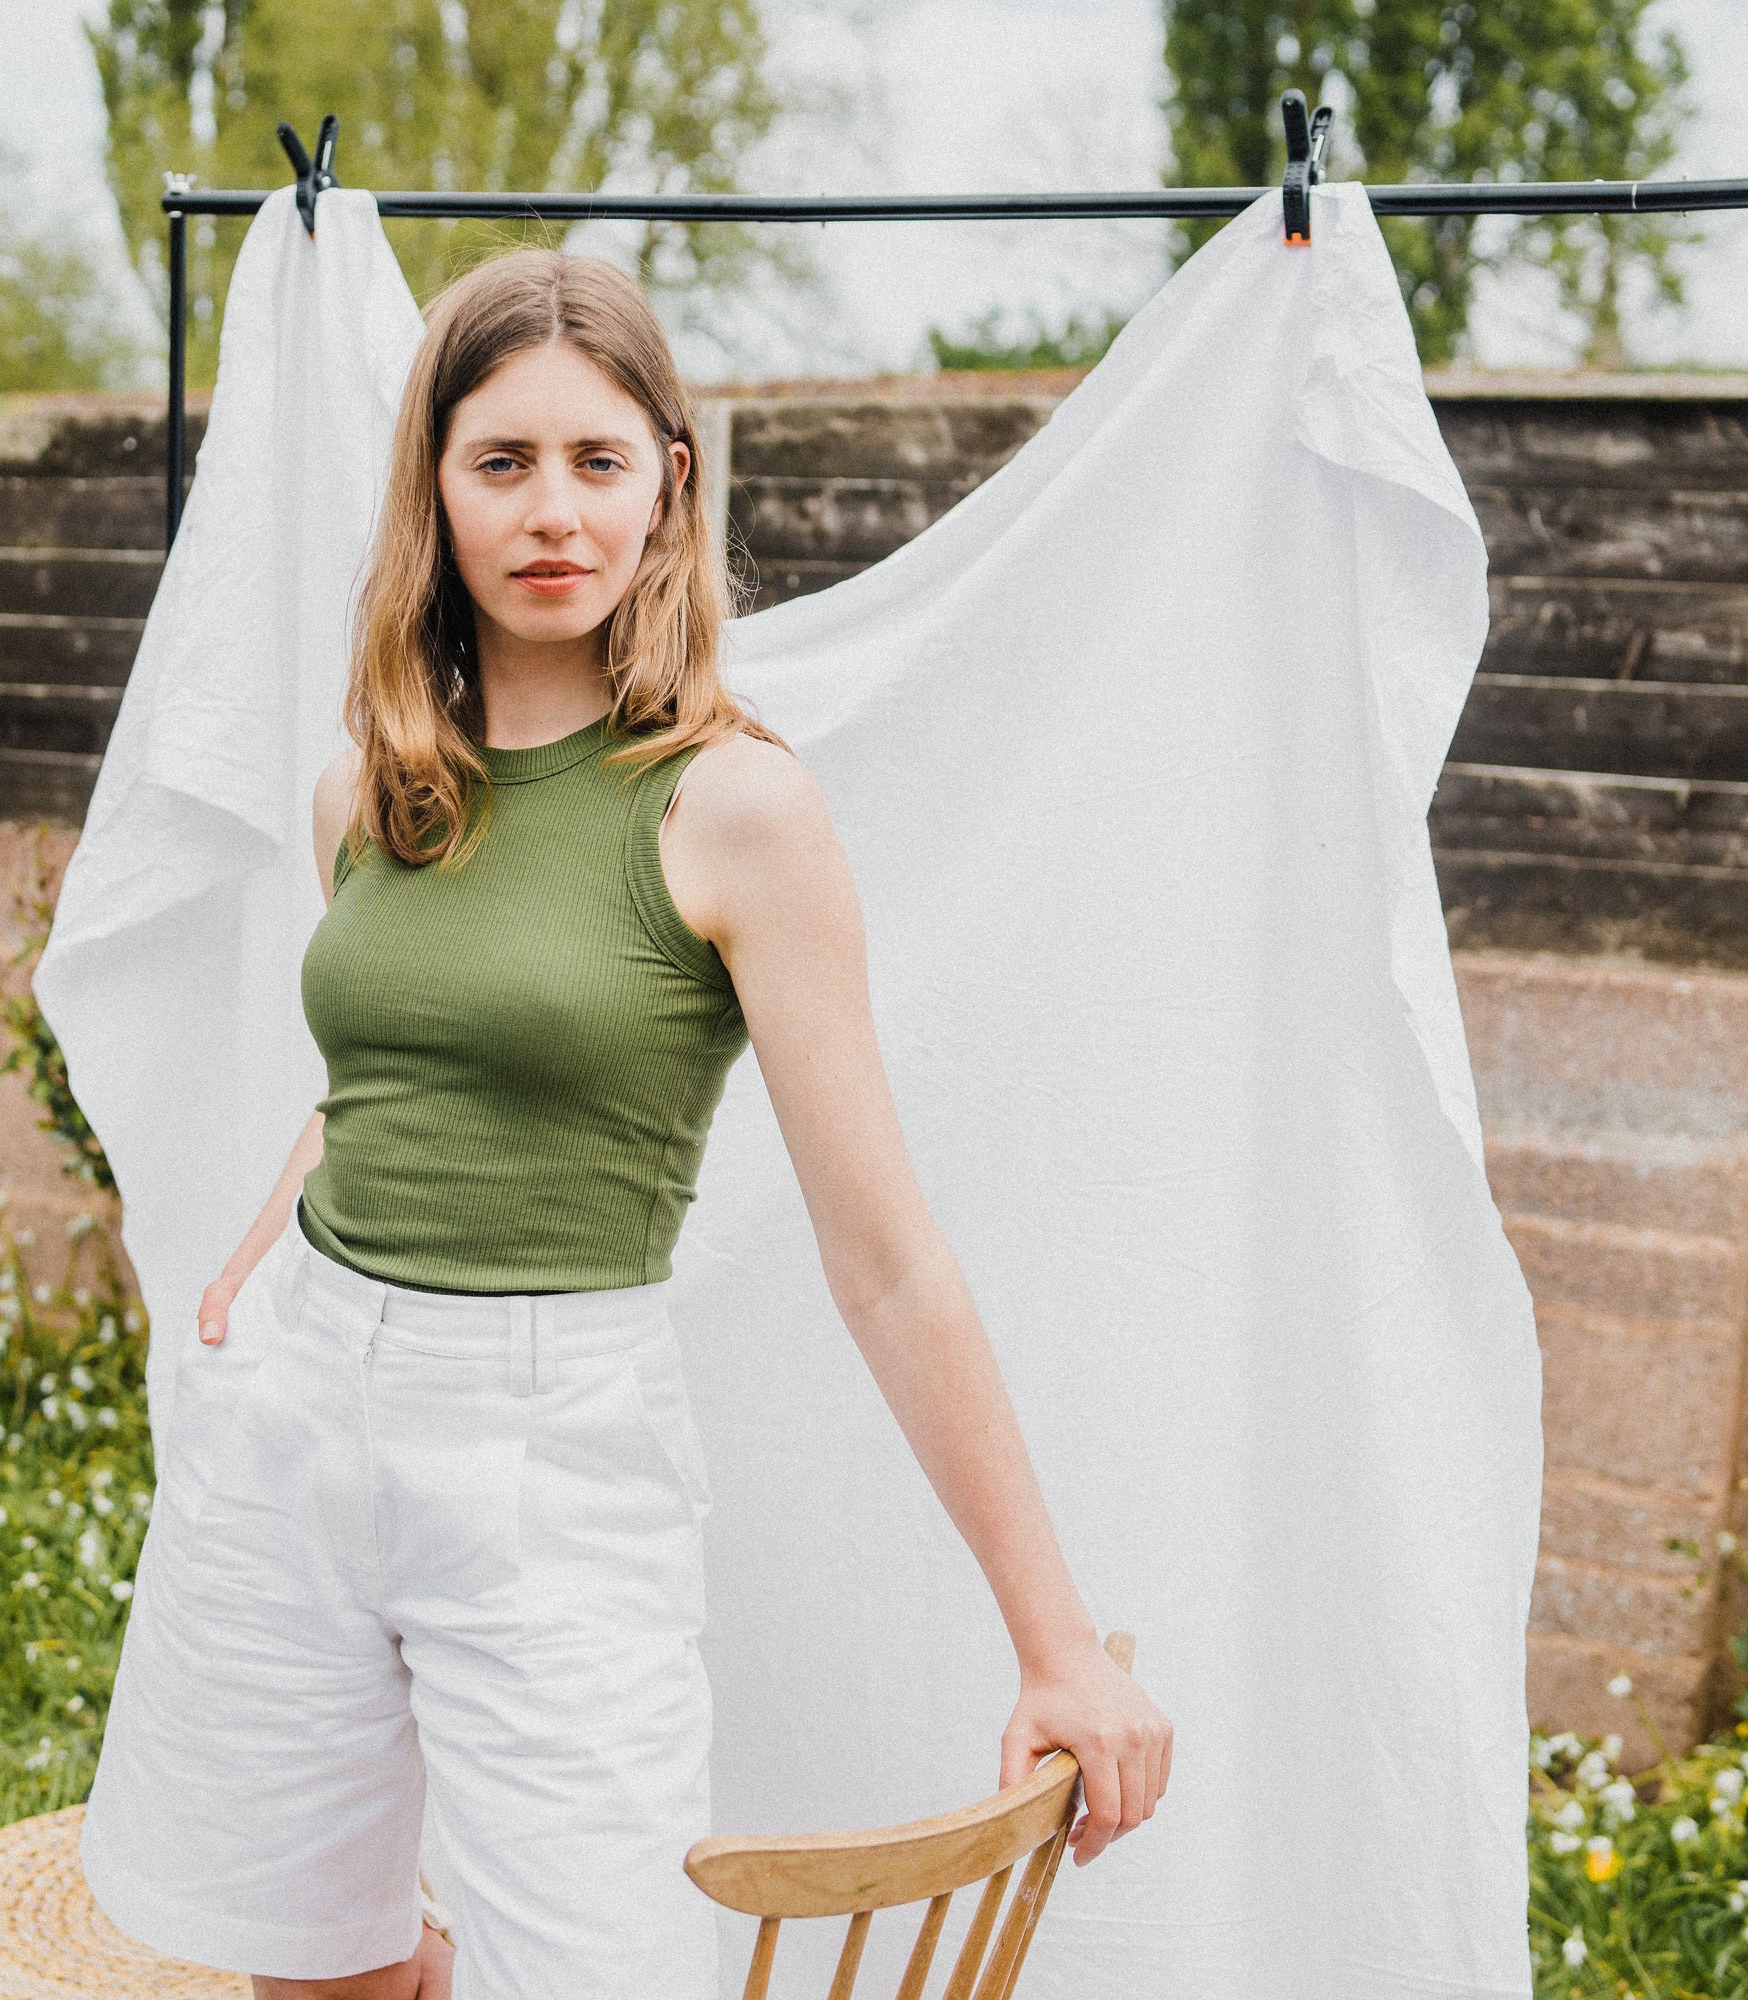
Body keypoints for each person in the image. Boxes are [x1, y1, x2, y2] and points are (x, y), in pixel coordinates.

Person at [77, 246, 1172, 2000]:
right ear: (431, 488)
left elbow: (887, 1260)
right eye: (499, 461)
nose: (552, 511)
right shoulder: (367, 789)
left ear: (672, 481)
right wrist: (282, 1210)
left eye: (598, 461)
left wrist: (1056, 1642)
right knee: (316, 1965)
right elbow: (396, 1055)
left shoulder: (735, 811)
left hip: (548, 1457)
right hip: (292, 1423)